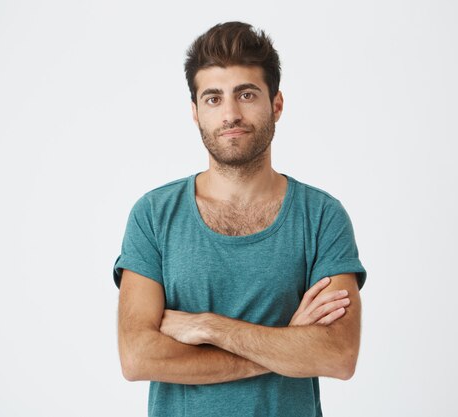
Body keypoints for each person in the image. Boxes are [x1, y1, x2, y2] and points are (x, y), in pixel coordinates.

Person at [113, 21, 367, 417]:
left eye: (246, 94)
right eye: (213, 99)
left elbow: (337, 355)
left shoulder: (321, 216)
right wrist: (287, 345)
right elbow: (138, 357)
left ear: (276, 104)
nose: (230, 114)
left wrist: (210, 327)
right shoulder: (154, 215)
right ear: (195, 112)